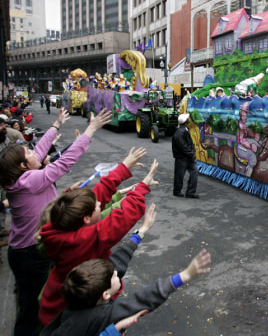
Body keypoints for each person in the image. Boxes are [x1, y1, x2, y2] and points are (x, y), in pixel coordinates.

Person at [0, 107, 112, 336]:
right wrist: (91, 130)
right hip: (31, 253)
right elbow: (63, 164)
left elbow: (39, 152)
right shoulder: (30, 181)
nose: (34, 153)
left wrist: (55, 126)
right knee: (32, 311)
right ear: (23, 166)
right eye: (28, 154)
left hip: (23, 250)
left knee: (32, 303)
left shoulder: (20, 178)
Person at [38, 152, 158, 327]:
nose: (101, 203)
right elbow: (120, 219)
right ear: (86, 218)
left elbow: (95, 195)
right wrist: (142, 187)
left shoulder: (60, 228)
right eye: (97, 206)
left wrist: (122, 168)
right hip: (68, 316)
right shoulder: (81, 241)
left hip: (53, 302)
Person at [39, 248, 211, 336]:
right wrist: (184, 275)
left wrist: (140, 233)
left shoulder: (75, 304)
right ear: (105, 294)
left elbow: (116, 263)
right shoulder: (103, 315)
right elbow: (142, 299)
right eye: (113, 276)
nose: (116, 273)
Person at [172, 113, 198, 198]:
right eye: (187, 119)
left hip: (187, 156)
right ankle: (178, 191)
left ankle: (190, 192)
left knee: (192, 172)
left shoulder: (184, 130)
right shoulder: (180, 132)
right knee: (180, 175)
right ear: (185, 121)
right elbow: (183, 146)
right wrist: (191, 154)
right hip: (182, 157)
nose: (189, 119)